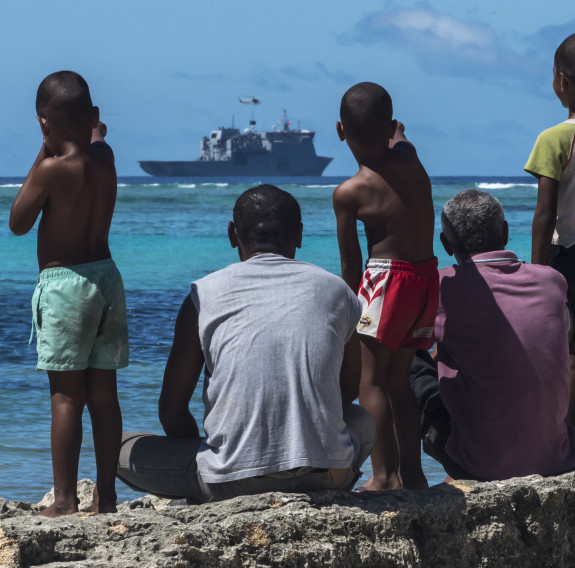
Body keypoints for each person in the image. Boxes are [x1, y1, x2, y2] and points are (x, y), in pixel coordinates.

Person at [117, 185, 375, 503]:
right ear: (299, 235)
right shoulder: (337, 291)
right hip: (325, 476)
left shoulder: (203, 295)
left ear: (231, 234)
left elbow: (171, 411)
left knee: (114, 447)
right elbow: (347, 392)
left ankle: (217, 475)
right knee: (362, 420)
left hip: (232, 483)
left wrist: (205, 454)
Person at [9, 71, 128, 516]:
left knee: (65, 397)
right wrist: (92, 130)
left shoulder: (51, 169)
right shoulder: (106, 158)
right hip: (106, 278)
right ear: (94, 117)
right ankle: (108, 497)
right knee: (104, 394)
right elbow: (95, 137)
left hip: (65, 287)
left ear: (44, 123)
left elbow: (18, 222)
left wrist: (44, 147)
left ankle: (63, 499)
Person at [411, 189, 575, 481]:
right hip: (558, 456)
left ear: (446, 245)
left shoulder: (442, 285)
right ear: (506, 232)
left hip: (480, 467)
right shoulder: (552, 281)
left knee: (404, 357)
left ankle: (401, 476)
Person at [333, 82, 438, 490]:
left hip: (386, 280)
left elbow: (351, 263)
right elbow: (402, 138)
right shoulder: (411, 160)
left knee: (370, 382)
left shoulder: (351, 192)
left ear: (341, 131)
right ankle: (412, 474)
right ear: (391, 125)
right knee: (399, 382)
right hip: (425, 278)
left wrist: (347, 314)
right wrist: (398, 132)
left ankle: (383, 475)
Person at [525, 34, 575, 424]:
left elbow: (545, 214)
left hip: (566, 257)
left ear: (562, 80)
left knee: (566, 350)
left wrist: (535, 273)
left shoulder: (554, 139)